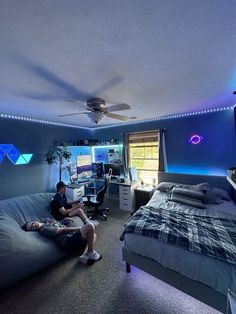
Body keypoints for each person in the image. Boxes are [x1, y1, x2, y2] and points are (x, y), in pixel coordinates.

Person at [21, 219, 102, 265]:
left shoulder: (46, 221)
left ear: (33, 221)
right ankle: (91, 252)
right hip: (68, 241)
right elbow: (63, 230)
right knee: (90, 226)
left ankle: (83, 255)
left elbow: (57, 223)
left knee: (93, 235)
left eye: (32, 224)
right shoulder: (44, 229)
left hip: (71, 236)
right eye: (31, 228)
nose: (33, 226)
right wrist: (81, 227)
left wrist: (63, 220)